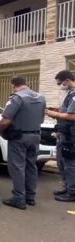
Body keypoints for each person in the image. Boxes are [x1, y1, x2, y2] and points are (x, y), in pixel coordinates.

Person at [0, 76, 46, 210]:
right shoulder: (41, 98)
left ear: (14, 85)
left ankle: (19, 198)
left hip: (19, 137)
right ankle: (30, 197)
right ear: (27, 84)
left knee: (17, 167)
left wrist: (2, 132)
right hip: (35, 136)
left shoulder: (16, 98)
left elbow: (5, 120)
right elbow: (41, 119)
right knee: (31, 166)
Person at [46, 70, 75, 202]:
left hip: (71, 136)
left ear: (67, 80)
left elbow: (72, 115)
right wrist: (57, 110)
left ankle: (72, 192)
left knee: (70, 164)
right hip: (64, 133)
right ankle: (67, 187)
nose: (60, 86)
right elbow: (67, 110)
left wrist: (55, 115)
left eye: (60, 83)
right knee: (61, 162)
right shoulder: (70, 94)